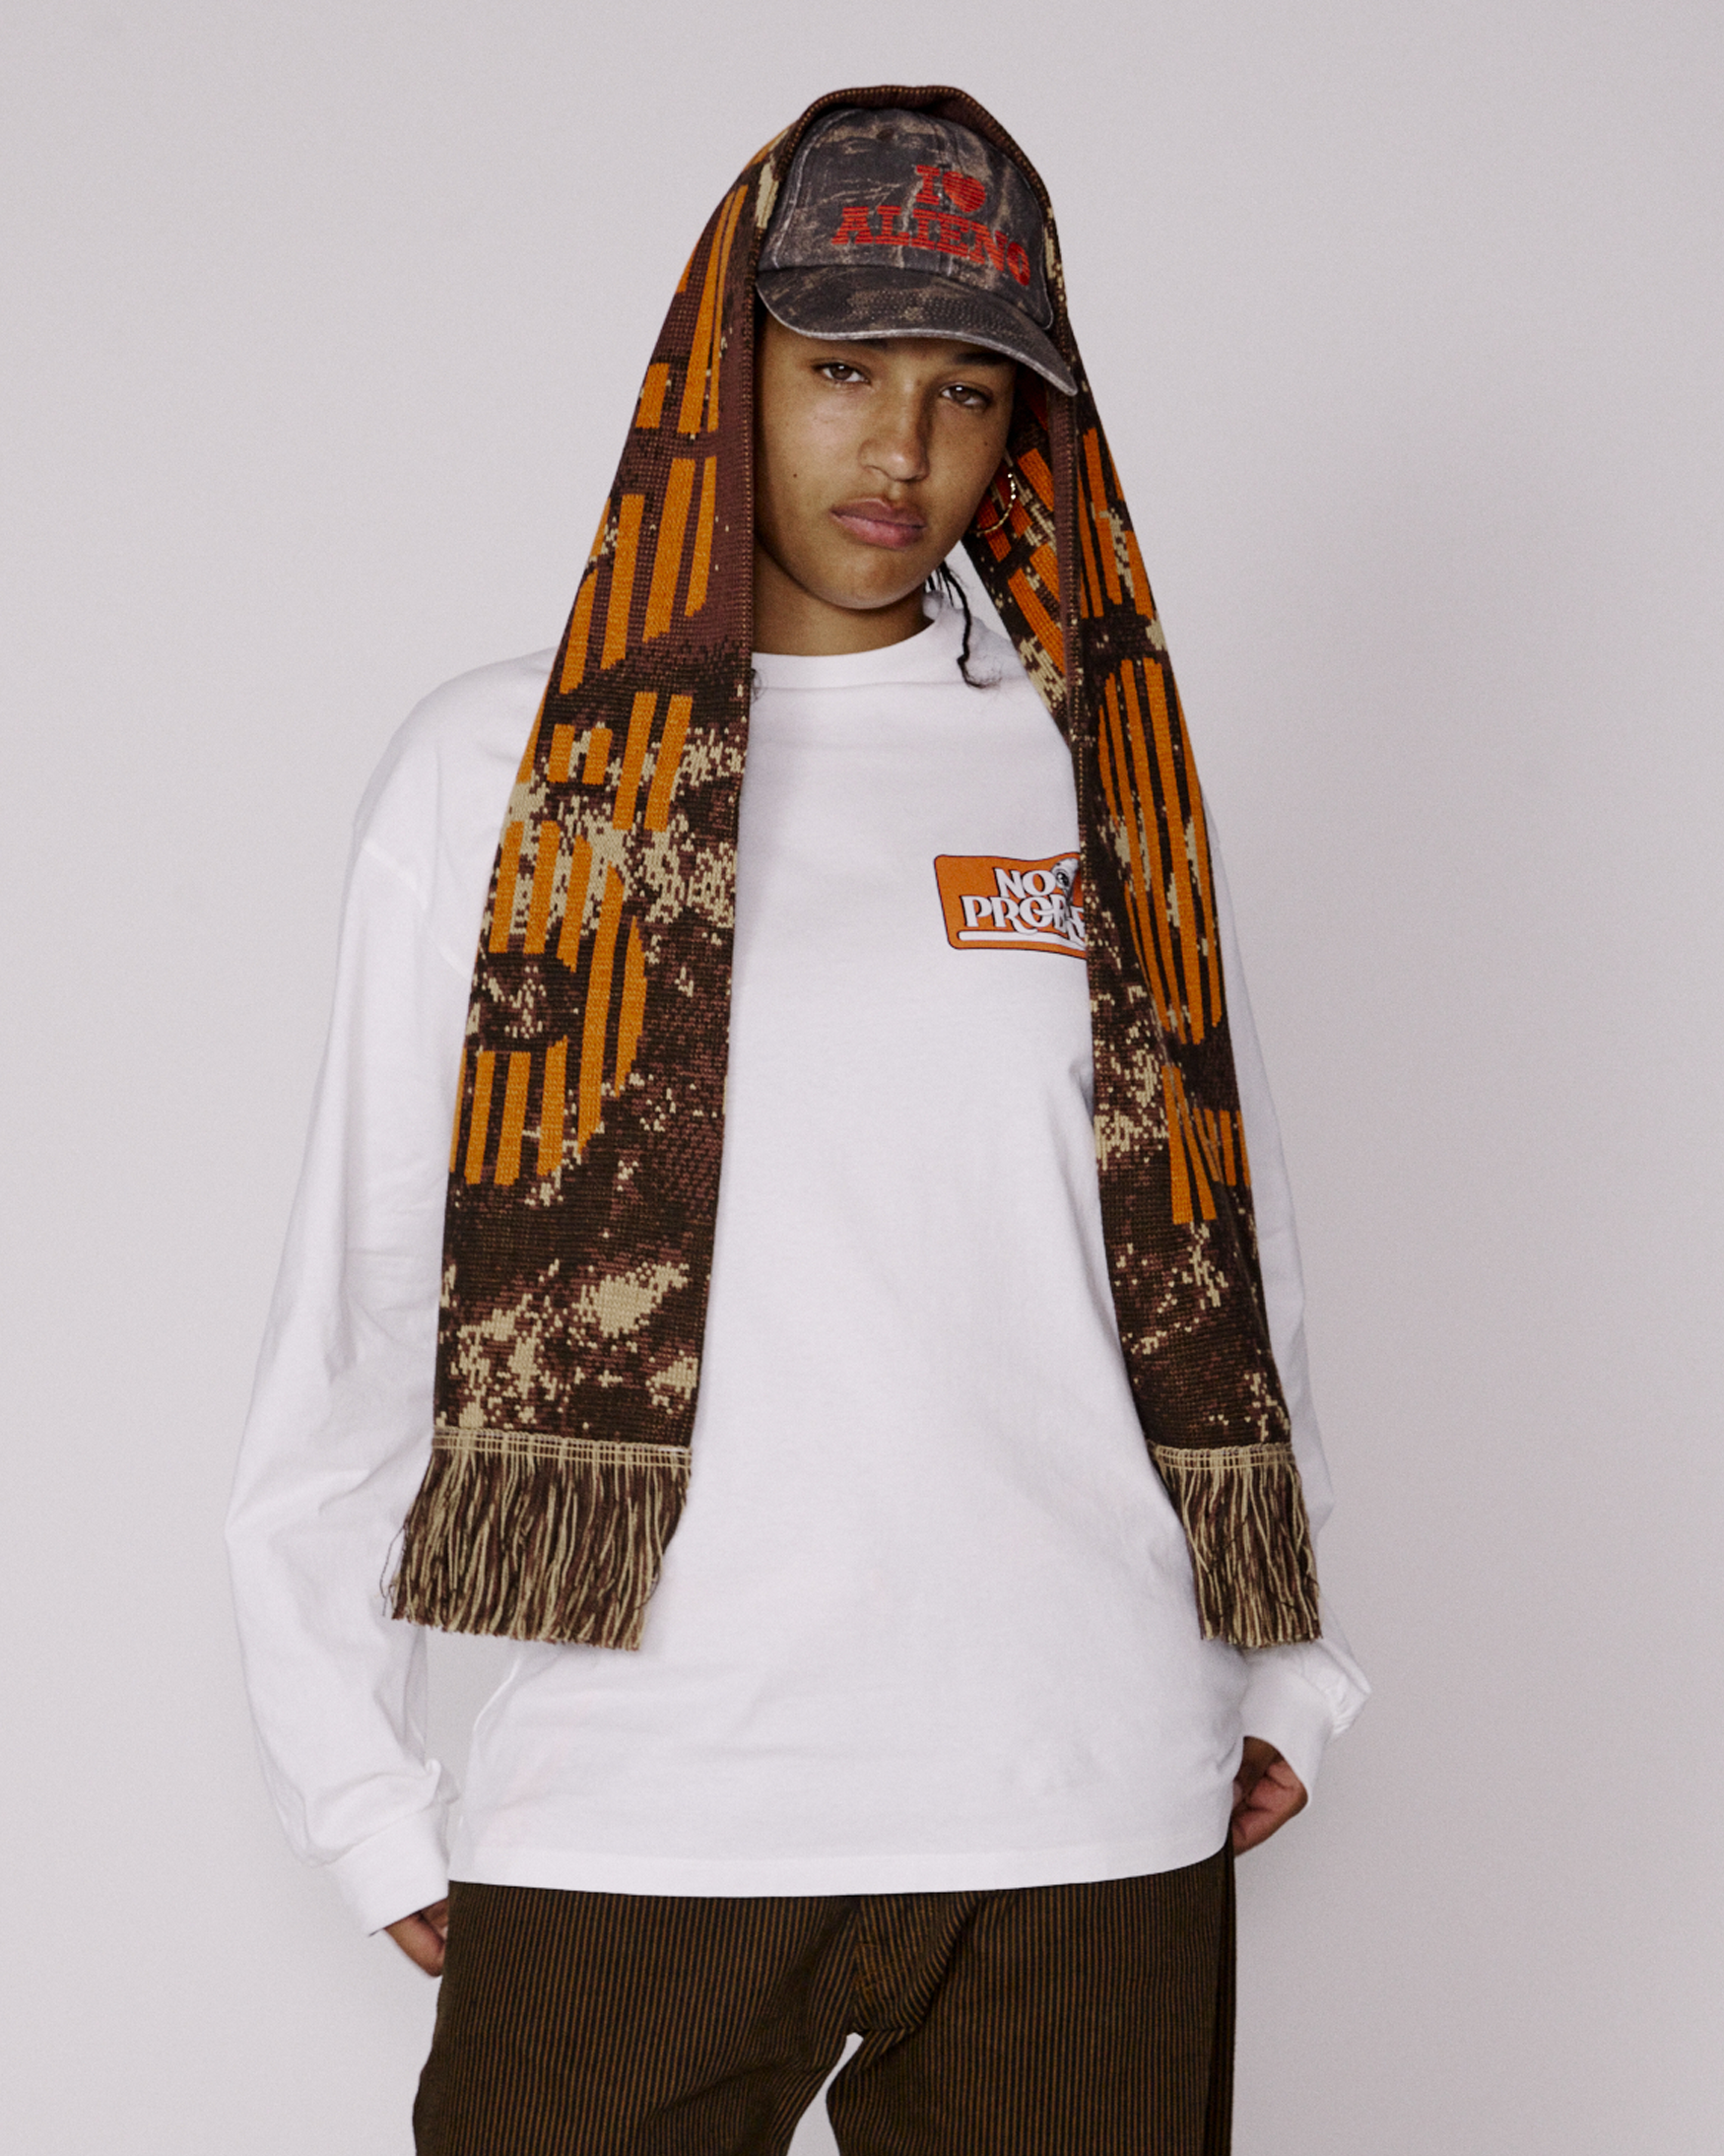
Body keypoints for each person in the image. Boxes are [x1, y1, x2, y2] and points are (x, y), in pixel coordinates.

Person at [227, 87, 1367, 2155]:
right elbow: (368, 1289)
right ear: (721, 373)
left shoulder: (1089, 774)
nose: (901, 450)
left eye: (963, 391)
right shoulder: (504, 774)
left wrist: (1291, 1663)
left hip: (1078, 1793)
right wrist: (351, 1773)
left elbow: (1224, 1249)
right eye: (841, 370)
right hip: (652, 1790)